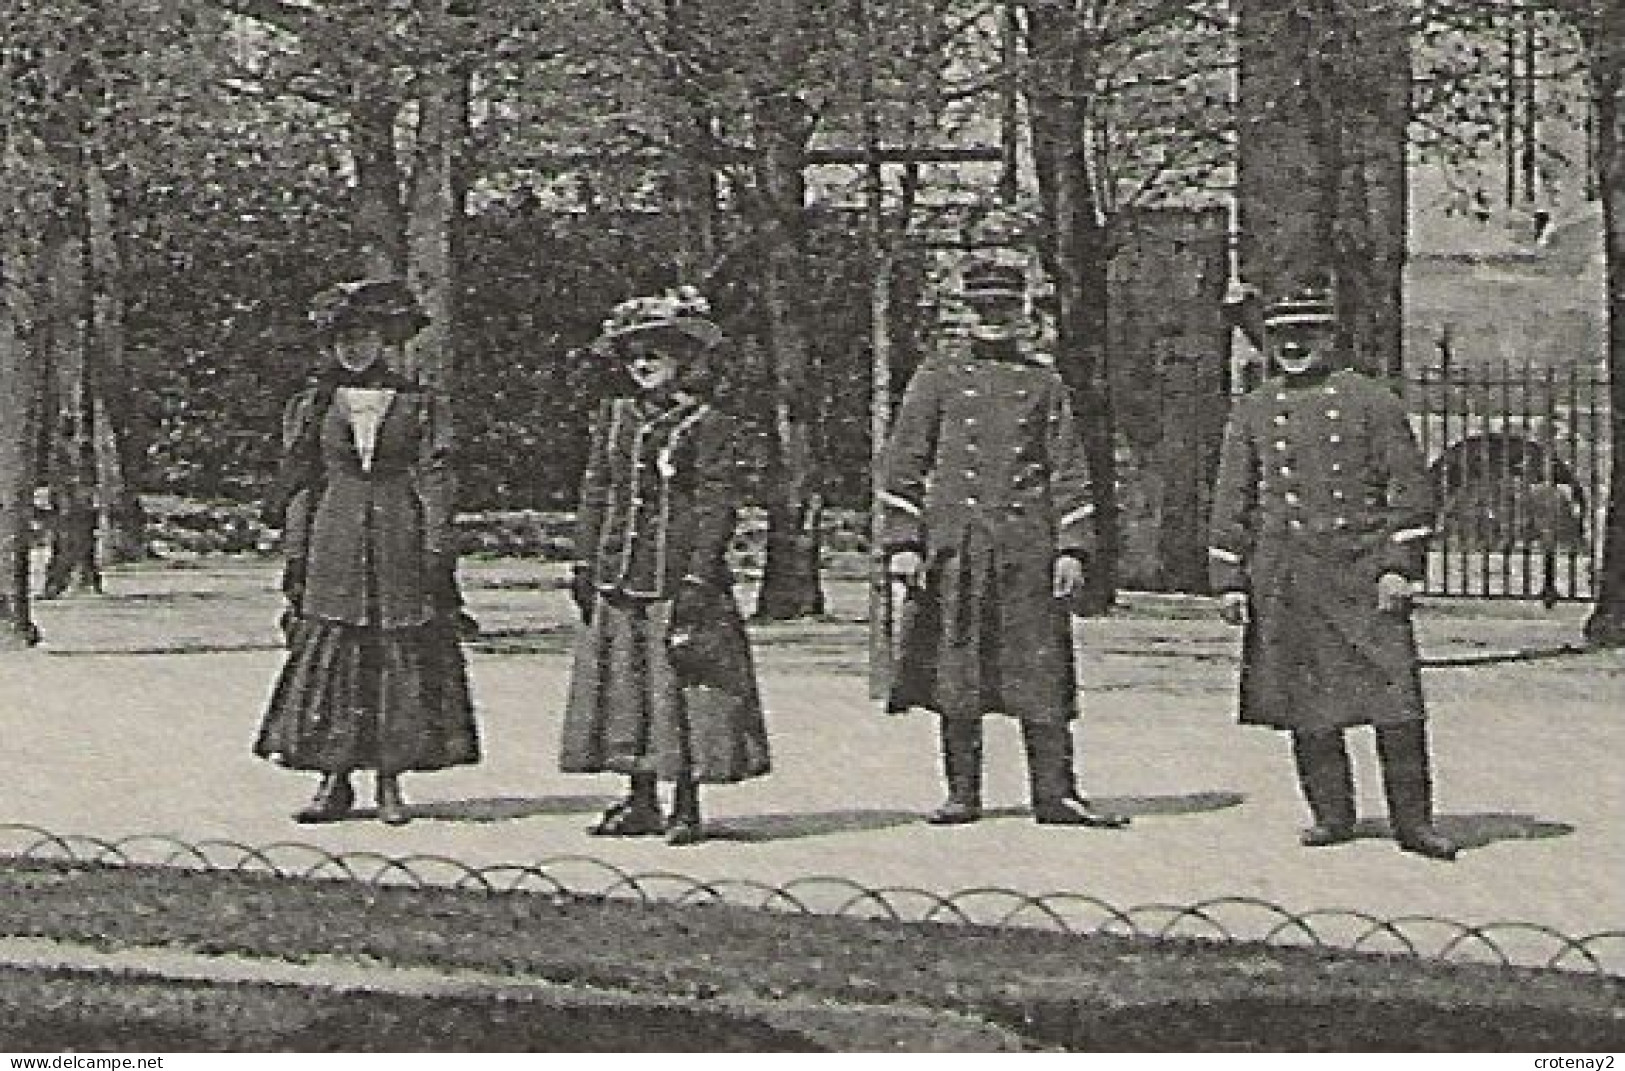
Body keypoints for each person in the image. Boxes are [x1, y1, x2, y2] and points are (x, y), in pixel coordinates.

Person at [1208, 285, 1458, 860]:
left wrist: (1399, 566)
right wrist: (1228, 574)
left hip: (1363, 572)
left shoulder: (1372, 402)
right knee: (1306, 701)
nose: (1293, 346)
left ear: (1330, 338)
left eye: (1306, 334)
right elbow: (1233, 497)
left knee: (1394, 702)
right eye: (1281, 336)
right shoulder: (1255, 408)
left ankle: (1414, 823)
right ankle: (1332, 814)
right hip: (1286, 575)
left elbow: (1411, 494)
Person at [879, 256, 1128, 829]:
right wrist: (903, 542)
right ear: (964, 314)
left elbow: (1070, 471)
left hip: (1027, 553)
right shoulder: (935, 378)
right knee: (955, 669)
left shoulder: (1043, 384)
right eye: (980, 307)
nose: (991, 317)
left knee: (1039, 672)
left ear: (1020, 315)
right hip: (955, 549)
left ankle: (1056, 794)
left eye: (1002, 307)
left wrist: (1072, 548)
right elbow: (902, 467)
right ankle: (961, 793)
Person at [255, 278, 479, 825]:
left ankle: (390, 781)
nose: (354, 348)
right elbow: (302, 481)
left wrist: (434, 544)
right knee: (333, 654)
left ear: (386, 340)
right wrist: (297, 552)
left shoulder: (419, 404)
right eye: (343, 338)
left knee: (397, 657)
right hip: (334, 537)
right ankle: (333, 779)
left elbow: (435, 476)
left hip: (398, 535)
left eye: (365, 336)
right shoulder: (311, 406)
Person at [559, 286, 770, 846]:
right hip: (618, 574)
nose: (644, 364)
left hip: (676, 577)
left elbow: (715, 504)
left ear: (682, 358)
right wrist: (583, 561)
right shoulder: (613, 419)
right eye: (633, 355)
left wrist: (701, 576)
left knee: (680, 690)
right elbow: (596, 491)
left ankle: (685, 802)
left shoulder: (708, 422)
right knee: (625, 689)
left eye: (655, 352)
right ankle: (639, 796)